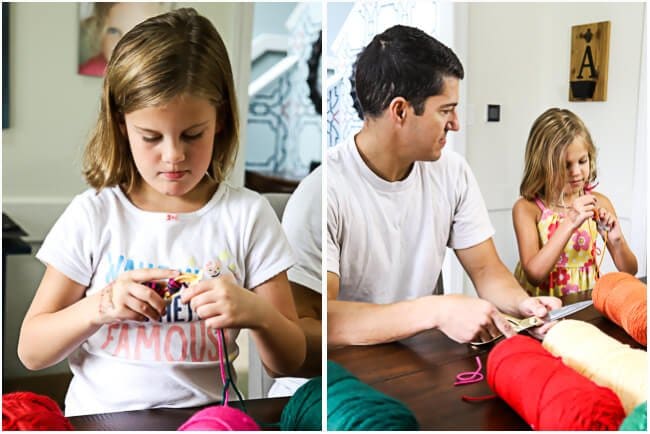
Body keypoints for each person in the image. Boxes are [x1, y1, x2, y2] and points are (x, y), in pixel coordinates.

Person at [18, 8, 305, 416]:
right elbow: (31, 350)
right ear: (122, 126)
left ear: (220, 120)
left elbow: (289, 360)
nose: (174, 156)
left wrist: (256, 313)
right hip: (100, 421)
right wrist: (100, 306)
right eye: (150, 136)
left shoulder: (248, 215)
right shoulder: (95, 215)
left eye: (193, 134)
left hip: (205, 421)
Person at [327, 25, 562, 347]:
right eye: (446, 110)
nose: (456, 124)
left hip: (423, 357)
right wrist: (437, 311)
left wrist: (523, 305)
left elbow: (486, 269)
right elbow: (323, 319)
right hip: (342, 374)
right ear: (400, 111)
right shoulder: (326, 190)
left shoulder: (452, 172)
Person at [512, 108, 637, 297]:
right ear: (543, 165)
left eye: (582, 161)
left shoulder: (599, 203)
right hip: (540, 308)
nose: (577, 172)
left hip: (584, 303)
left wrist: (616, 240)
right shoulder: (527, 208)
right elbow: (534, 275)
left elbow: (629, 271)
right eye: (566, 165)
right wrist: (570, 222)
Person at [268, 166, 322, 397]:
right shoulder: (319, 195)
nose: (449, 126)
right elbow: (283, 356)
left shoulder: (443, 174)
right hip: (314, 395)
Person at [78, 2, 169, 76]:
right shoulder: (89, 71)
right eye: (113, 31)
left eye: (139, 32)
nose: (124, 45)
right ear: (99, 32)